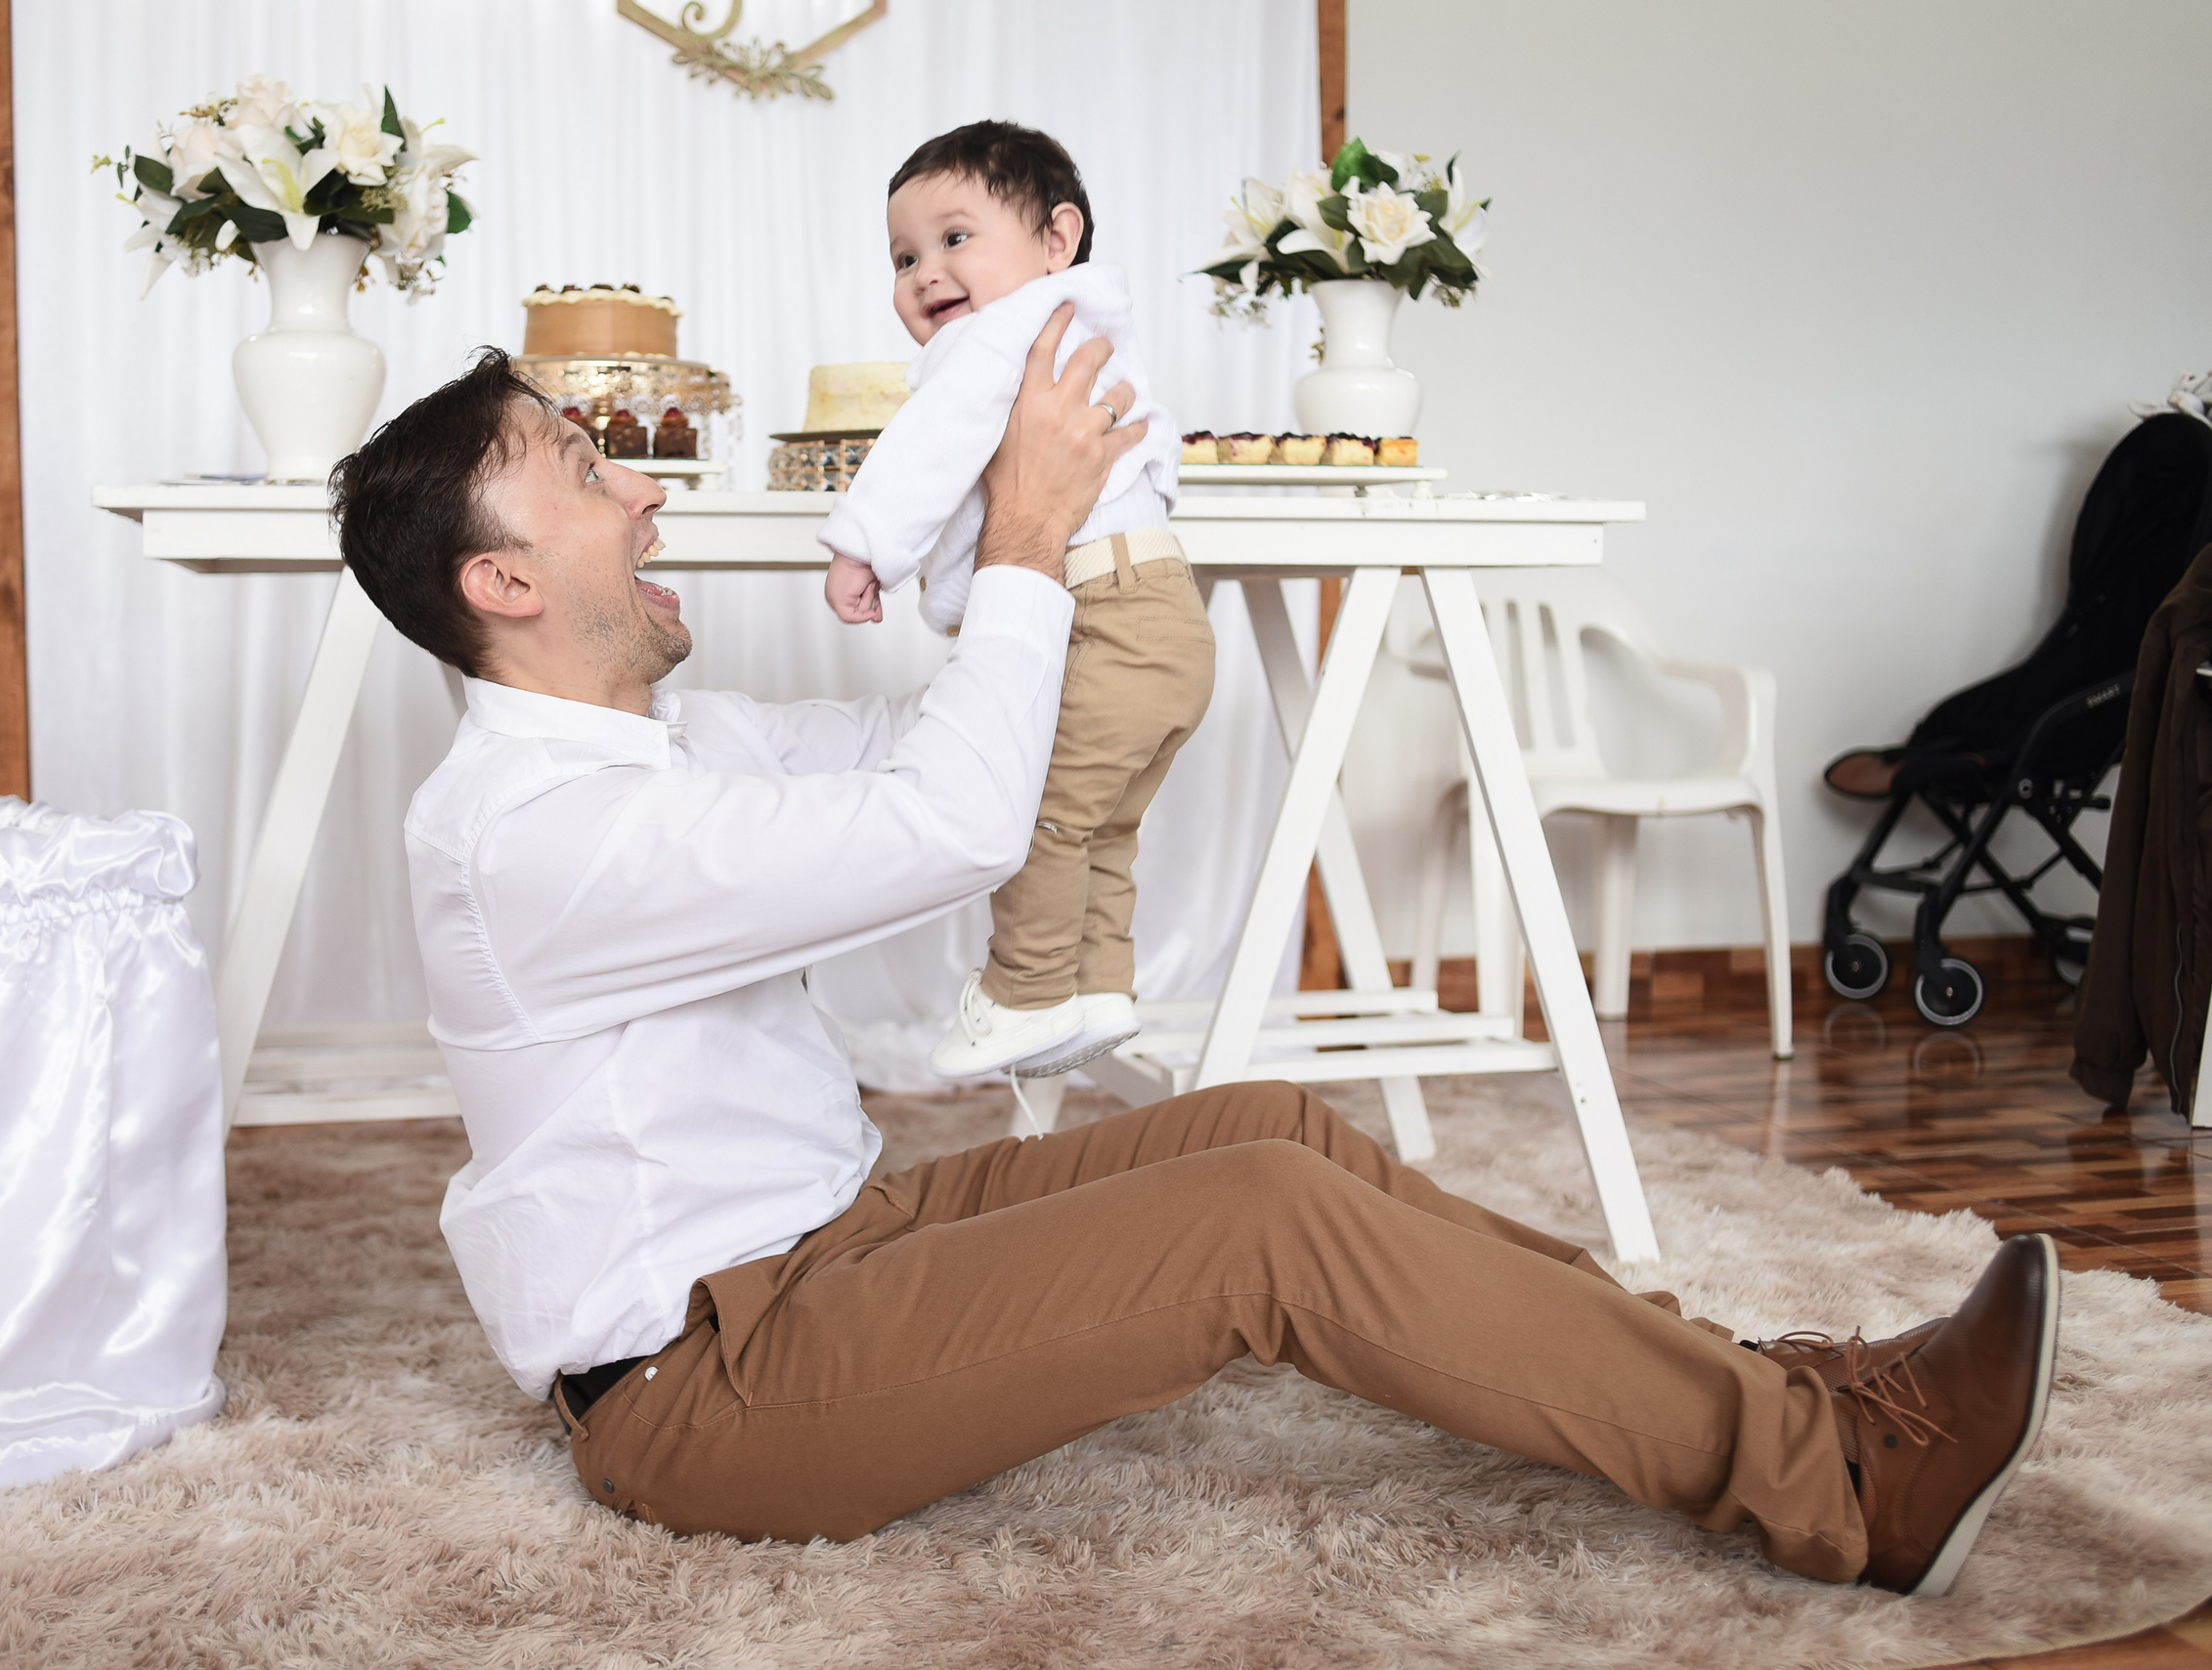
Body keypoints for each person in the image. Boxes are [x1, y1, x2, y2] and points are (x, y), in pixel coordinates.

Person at [328, 324, 2059, 1600]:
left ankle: (1771, 1379)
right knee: (1260, 1228)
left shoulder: (668, 747)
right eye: (587, 469)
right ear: (504, 578)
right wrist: (1016, 534)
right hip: (707, 1385)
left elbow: (945, 746)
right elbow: (957, 825)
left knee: (1273, 1131)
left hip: (829, 1241)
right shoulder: (528, 830)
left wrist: (1002, 529)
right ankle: (1837, 1479)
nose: (642, 487)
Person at [817, 121, 1213, 1083]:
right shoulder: (1088, 332)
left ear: (1055, 238)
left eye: (955, 239)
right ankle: (1096, 991)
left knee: (1039, 815)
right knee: (1102, 823)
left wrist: (864, 542)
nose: (924, 273)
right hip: (1166, 615)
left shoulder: (1004, 337)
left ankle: (1023, 993)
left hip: (1105, 615)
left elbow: (929, 448)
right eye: (904, 255)